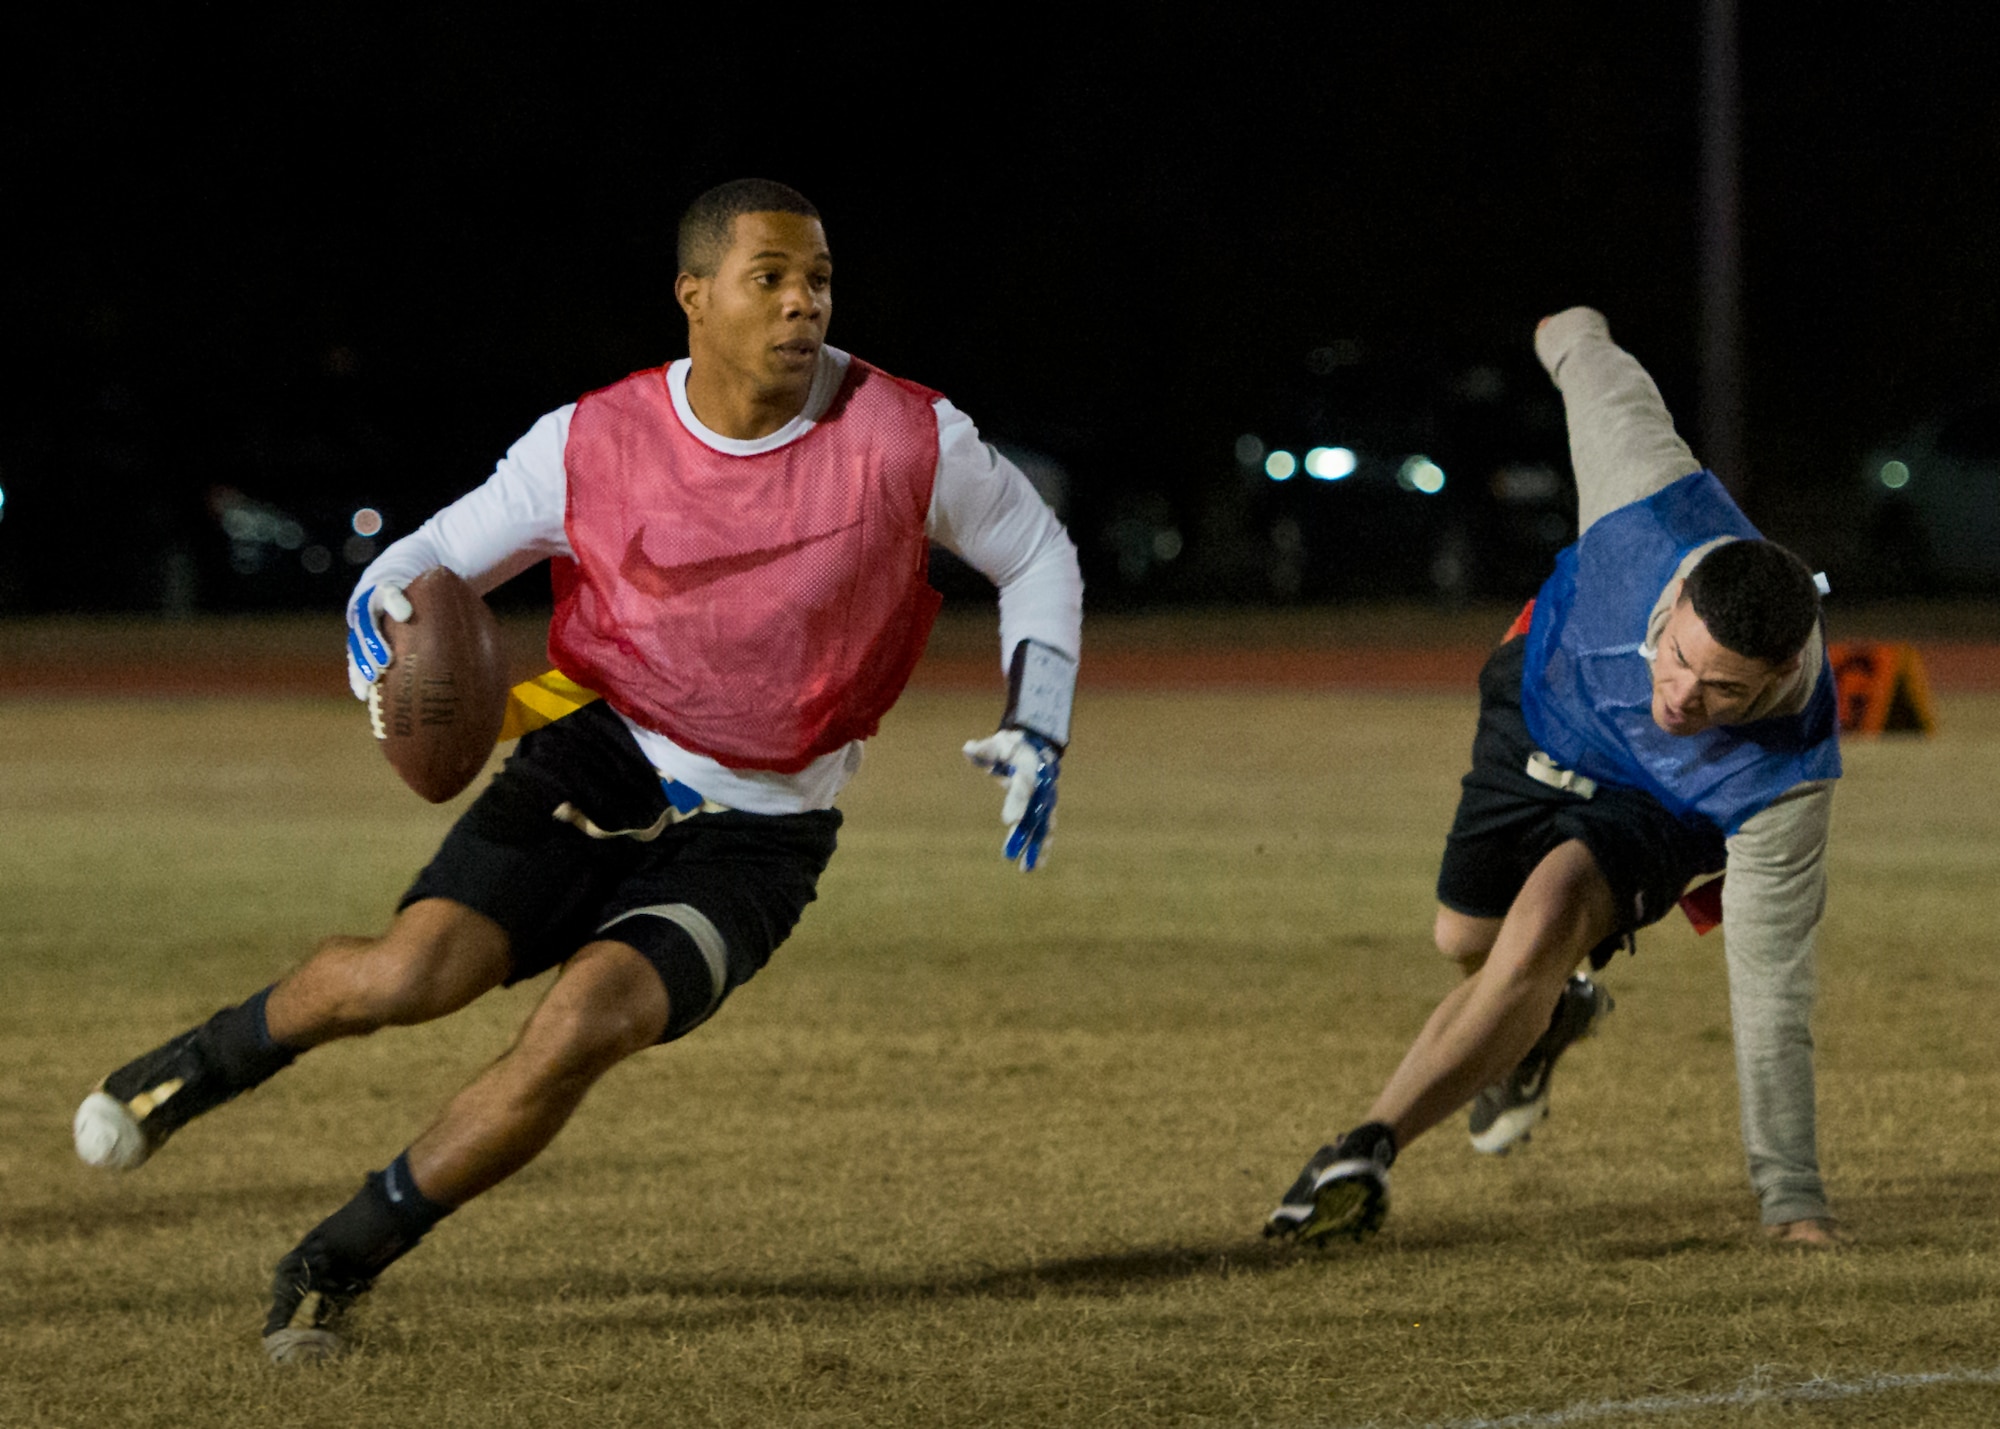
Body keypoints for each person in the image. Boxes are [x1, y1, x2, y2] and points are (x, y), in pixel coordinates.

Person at [72, 178, 1085, 1363]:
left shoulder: (907, 433)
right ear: (693, 296)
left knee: (581, 1023)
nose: (803, 302)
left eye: (818, 278)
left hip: (763, 828)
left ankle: (330, 1263)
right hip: (602, 748)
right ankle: (193, 1068)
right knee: (411, 973)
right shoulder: (592, 441)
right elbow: (432, 557)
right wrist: (373, 618)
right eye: (771, 278)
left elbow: (1034, 551)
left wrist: (1040, 718)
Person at [1264, 306, 1841, 1250]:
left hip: (1656, 806)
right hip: (1541, 708)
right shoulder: (1644, 494)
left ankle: (1364, 1145)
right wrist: (1560, 328)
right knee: (1465, 938)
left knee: (1541, 927)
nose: (1680, 698)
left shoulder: (1787, 779)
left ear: (1776, 679)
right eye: (1676, 655)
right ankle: (1547, 1021)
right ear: (1678, 595)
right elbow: (1582, 345)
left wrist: (1794, 1201)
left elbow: (1773, 992)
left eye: (1722, 692)